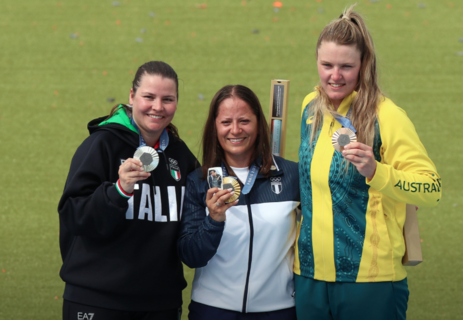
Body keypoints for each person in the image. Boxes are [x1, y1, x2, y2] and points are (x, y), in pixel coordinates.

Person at [294, 5, 442, 320]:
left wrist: (377, 172)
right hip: (308, 275)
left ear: (363, 65)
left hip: (370, 282)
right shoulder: (310, 108)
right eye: (326, 65)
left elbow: (431, 188)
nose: (335, 76)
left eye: (346, 67)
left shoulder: (387, 116)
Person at [58, 61, 198, 320]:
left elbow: (193, 221)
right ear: (132, 96)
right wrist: (118, 191)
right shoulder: (101, 145)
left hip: (160, 304)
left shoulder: (181, 156)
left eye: (167, 99)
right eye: (149, 97)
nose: (158, 107)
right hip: (97, 300)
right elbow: (72, 216)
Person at [178, 85, 300, 320]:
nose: (235, 130)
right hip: (212, 311)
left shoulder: (292, 175)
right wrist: (213, 220)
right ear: (214, 126)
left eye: (244, 120)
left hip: (278, 311)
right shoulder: (200, 181)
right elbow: (191, 256)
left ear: (258, 123)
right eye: (226, 122)